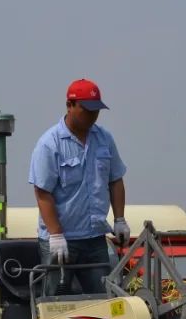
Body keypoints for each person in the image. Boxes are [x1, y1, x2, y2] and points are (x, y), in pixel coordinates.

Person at [29, 78, 130, 296]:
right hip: (62, 239)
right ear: (70, 105)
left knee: (104, 299)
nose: (93, 116)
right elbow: (43, 192)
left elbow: (115, 180)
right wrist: (56, 234)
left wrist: (119, 219)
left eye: (96, 110)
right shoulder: (50, 144)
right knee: (54, 302)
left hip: (94, 238)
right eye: (87, 110)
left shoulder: (104, 139)